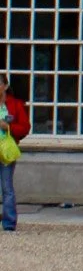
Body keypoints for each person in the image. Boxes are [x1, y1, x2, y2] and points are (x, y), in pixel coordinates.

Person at [1, 75, 29, 231]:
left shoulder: (15, 104)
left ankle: (9, 223)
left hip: (7, 151)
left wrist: (9, 128)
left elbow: (25, 127)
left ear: (5, 86)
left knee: (7, 187)